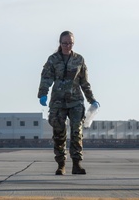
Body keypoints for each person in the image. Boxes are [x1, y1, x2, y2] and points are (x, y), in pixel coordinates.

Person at [37, 31, 98, 175]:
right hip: (58, 101)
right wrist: (43, 94)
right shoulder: (53, 60)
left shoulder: (79, 60)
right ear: (60, 43)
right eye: (65, 43)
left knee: (77, 132)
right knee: (59, 133)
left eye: (70, 43)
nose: (67, 46)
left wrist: (92, 99)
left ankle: (77, 164)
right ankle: (61, 164)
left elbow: (84, 82)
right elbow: (46, 78)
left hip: (76, 101)